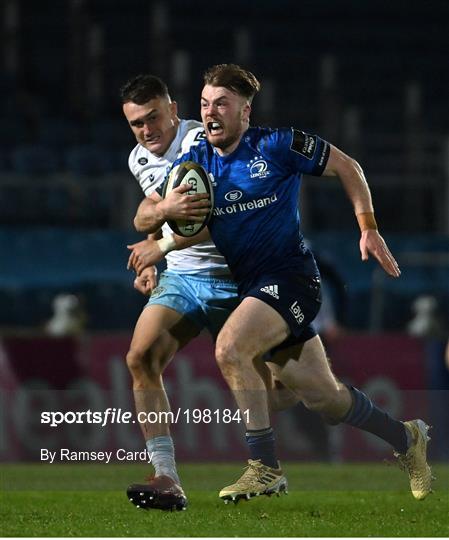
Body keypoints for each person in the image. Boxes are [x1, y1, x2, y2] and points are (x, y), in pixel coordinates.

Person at [134, 64, 433, 502]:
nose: (210, 113)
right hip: (251, 288)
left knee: (230, 349)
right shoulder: (194, 164)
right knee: (322, 398)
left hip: (292, 278)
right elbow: (159, 215)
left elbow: (348, 167)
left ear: (245, 111)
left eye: (221, 104)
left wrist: (367, 226)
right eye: (204, 104)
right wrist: (160, 235)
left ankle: (264, 467)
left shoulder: (277, 144)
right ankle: (407, 439)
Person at [120, 74, 298, 511]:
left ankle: (319, 395)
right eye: (136, 123)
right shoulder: (139, 158)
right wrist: (156, 258)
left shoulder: (204, 143)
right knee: (140, 357)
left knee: (289, 388)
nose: (146, 131)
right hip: (182, 279)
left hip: (237, 278)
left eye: (153, 118)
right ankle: (166, 476)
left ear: (174, 109)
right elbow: (153, 214)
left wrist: (158, 238)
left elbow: (207, 220)